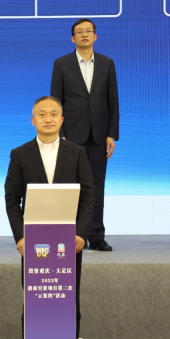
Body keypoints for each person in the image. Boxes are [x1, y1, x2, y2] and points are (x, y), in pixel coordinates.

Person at [4, 96, 95, 338]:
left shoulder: (77, 153)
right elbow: (12, 200)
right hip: (33, 240)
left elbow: (88, 195)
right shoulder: (20, 154)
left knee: (69, 297)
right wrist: (20, 237)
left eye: (54, 114)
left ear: (62, 120)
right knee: (35, 296)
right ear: (32, 120)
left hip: (70, 239)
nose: (48, 119)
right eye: (42, 114)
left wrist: (81, 234)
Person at [50, 18, 118, 251]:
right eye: (79, 32)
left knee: (96, 187)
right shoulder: (61, 63)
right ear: (73, 38)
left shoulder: (107, 63)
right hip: (70, 136)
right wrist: (60, 134)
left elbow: (113, 100)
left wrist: (111, 134)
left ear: (95, 36)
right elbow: (55, 102)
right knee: (70, 188)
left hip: (99, 135)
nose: (84, 34)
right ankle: (69, 235)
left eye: (89, 31)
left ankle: (96, 235)